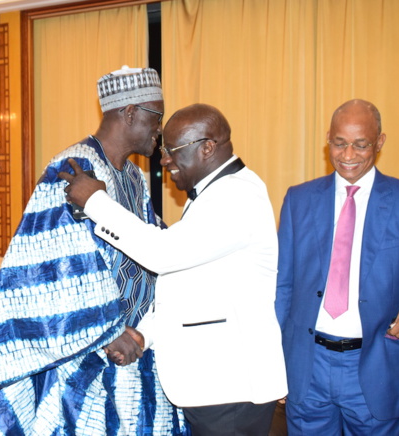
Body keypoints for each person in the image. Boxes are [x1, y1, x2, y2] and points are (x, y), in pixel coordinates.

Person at [0, 66, 187, 435]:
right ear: (129, 113)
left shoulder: (134, 176)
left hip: (137, 348)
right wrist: (111, 330)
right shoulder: (71, 168)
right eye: (156, 116)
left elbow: (152, 247)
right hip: (87, 358)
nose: (160, 128)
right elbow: (54, 266)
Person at [61, 103, 287, 435]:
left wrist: (95, 202)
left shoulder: (238, 196)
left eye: (172, 151)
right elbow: (185, 285)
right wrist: (144, 334)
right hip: (213, 389)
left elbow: (162, 253)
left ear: (208, 147)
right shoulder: (210, 196)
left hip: (232, 392)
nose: (163, 160)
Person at [275, 99, 399, 434]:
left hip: (379, 366)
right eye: (339, 143)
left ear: (380, 142)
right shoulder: (299, 200)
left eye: (360, 145)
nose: (348, 155)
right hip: (307, 366)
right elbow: (283, 287)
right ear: (328, 139)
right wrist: (274, 362)